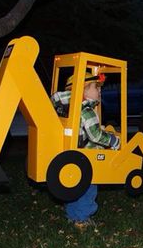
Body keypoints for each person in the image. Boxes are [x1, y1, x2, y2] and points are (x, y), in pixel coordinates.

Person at [51, 72, 120, 227]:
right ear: (83, 90)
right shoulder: (86, 110)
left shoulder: (66, 107)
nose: (99, 91)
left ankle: (72, 215)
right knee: (88, 188)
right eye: (96, 87)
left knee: (75, 187)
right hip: (87, 155)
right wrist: (113, 140)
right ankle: (82, 218)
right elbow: (95, 136)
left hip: (72, 154)